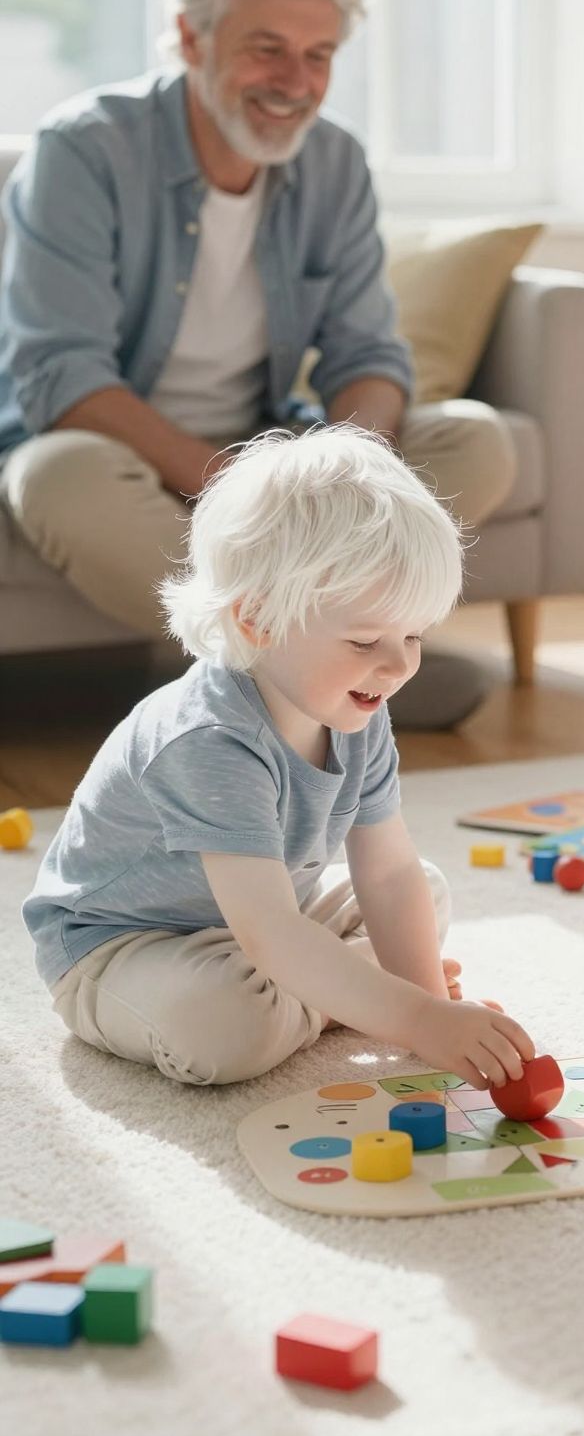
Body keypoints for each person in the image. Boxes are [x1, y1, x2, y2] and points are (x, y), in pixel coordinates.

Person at [0, 0, 518, 727]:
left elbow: (370, 357)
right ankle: (320, 680)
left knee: (476, 439)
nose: (296, 82)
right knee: (55, 477)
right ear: (192, 36)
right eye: (267, 48)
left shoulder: (335, 163)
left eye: (319, 56)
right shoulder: (85, 151)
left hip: (270, 451)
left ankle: (260, 679)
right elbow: (63, 381)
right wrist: (250, 496)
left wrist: (348, 478)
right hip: (124, 462)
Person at [24, 424, 535, 1089]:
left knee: (421, 890)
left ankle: (341, 988)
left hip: (261, 920)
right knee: (223, 1030)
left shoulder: (353, 708)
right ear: (256, 621)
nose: (399, 664)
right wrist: (415, 1019)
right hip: (123, 947)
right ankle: (340, 995)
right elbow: (269, 932)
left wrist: (430, 1005)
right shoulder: (209, 739)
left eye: (413, 633)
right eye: (364, 640)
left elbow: (385, 877)